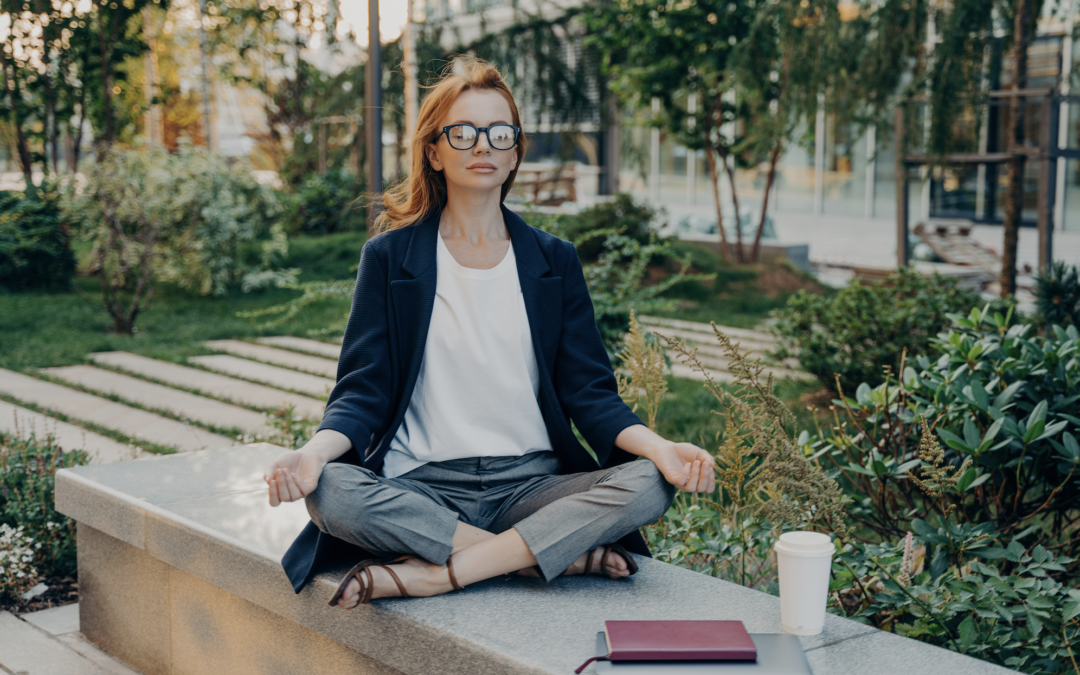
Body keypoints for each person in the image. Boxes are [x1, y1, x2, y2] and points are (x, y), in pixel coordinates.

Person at [266, 57, 716, 609]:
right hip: (421, 484)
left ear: (514, 153)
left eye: (499, 133)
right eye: (464, 132)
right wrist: (312, 455)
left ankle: (444, 572)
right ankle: (535, 559)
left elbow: (592, 396)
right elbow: (363, 391)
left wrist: (663, 448)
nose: (483, 145)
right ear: (434, 151)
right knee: (332, 491)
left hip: (532, 487)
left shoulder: (554, 261)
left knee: (649, 482)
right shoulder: (389, 259)